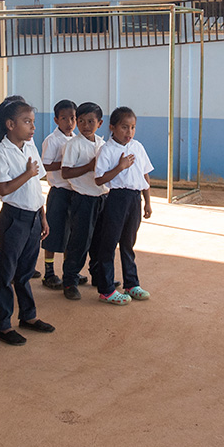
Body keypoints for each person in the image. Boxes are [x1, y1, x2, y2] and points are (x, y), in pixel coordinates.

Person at [0, 98, 54, 344]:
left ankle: (28, 315)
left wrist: (42, 216)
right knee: (6, 273)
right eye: (27, 122)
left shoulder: (30, 147)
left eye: (33, 122)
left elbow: (36, 186)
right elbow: (3, 189)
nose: (32, 127)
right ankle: (2, 325)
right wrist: (27, 173)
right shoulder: (0, 152)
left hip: (33, 216)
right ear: (10, 124)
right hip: (13, 218)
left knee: (25, 271)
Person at [91, 107, 153, 305]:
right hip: (117, 199)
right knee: (109, 244)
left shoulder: (138, 147)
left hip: (135, 199)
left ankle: (131, 284)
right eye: (124, 127)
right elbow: (99, 179)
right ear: (112, 127)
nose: (129, 132)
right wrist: (120, 167)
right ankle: (106, 290)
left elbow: (145, 174)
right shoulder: (107, 150)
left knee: (128, 243)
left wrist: (147, 202)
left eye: (133, 127)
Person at [60, 102, 107, 300]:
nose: (85, 125)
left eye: (90, 121)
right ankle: (70, 280)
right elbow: (65, 172)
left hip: (102, 197)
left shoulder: (102, 144)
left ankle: (98, 276)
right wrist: (89, 166)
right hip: (83, 198)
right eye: (81, 121)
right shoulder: (74, 144)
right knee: (80, 241)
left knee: (99, 241)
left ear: (100, 123)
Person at [40, 99, 76, 289]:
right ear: (56, 120)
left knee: (71, 234)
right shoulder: (52, 140)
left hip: (75, 192)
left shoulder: (77, 139)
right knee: (53, 234)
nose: (69, 122)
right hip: (59, 192)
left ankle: (69, 272)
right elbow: (44, 165)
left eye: (73, 118)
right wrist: (65, 163)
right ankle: (49, 272)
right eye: (64, 118)